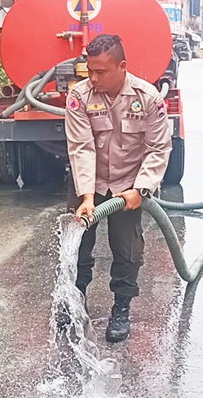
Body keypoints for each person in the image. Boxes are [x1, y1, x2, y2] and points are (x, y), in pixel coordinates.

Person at [65, 34, 172, 342]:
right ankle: (75, 302)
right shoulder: (79, 96)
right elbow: (82, 147)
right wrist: (87, 196)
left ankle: (121, 308)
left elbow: (158, 148)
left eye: (101, 71)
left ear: (122, 67)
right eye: (90, 70)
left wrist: (142, 188)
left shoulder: (148, 97)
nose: (93, 78)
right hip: (90, 181)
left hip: (129, 183)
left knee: (126, 249)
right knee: (78, 245)